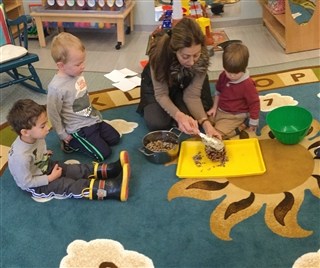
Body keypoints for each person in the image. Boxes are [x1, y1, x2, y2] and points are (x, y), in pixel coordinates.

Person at [7, 99, 130, 202]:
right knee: (67, 184)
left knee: (73, 169)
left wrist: (44, 154)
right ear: (25, 132)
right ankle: (110, 189)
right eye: (43, 126)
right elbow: (25, 183)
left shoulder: (35, 136)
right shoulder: (20, 157)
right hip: (38, 184)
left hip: (45, 165)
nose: (48, 128)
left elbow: (36, 151)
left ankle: (108, 170)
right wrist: (49, 179)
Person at [137, 17, 222, 139]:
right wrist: (179, 116)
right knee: (157, 123)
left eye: (196, 55)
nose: (192, 62)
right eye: (186, 56)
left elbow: (192, 96)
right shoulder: (159, 56)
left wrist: (207, 124)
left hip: (183, 85)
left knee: (195, 119)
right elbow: (161, 94)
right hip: (157, 88)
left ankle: (177, 105)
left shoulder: (202, 58)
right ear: (174, 50)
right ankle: (175, 110)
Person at [47, 32, 120, 162]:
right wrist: (62, 134)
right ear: (61, 66)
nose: (83, 66)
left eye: (83, 62)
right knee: (104, 154)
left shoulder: (77, 73)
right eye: (77, 64)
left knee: (115, 139)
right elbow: (53, 114)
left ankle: (93, 139)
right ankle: (71, 144)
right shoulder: (56, 88)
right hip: (78, 128)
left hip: (93, 119)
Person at [207, 43, 260, 139]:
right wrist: (214, 107)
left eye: (235, 74)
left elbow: (254, 103)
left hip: (234, 115)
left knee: (217, 135)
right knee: (204, 122)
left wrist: (253, 123)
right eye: (228, 72)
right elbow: (218, 91)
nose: (231, 76)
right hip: (220, 108)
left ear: (243, 69)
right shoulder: (223, 75)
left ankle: (241, 127)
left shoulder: (247, 84)